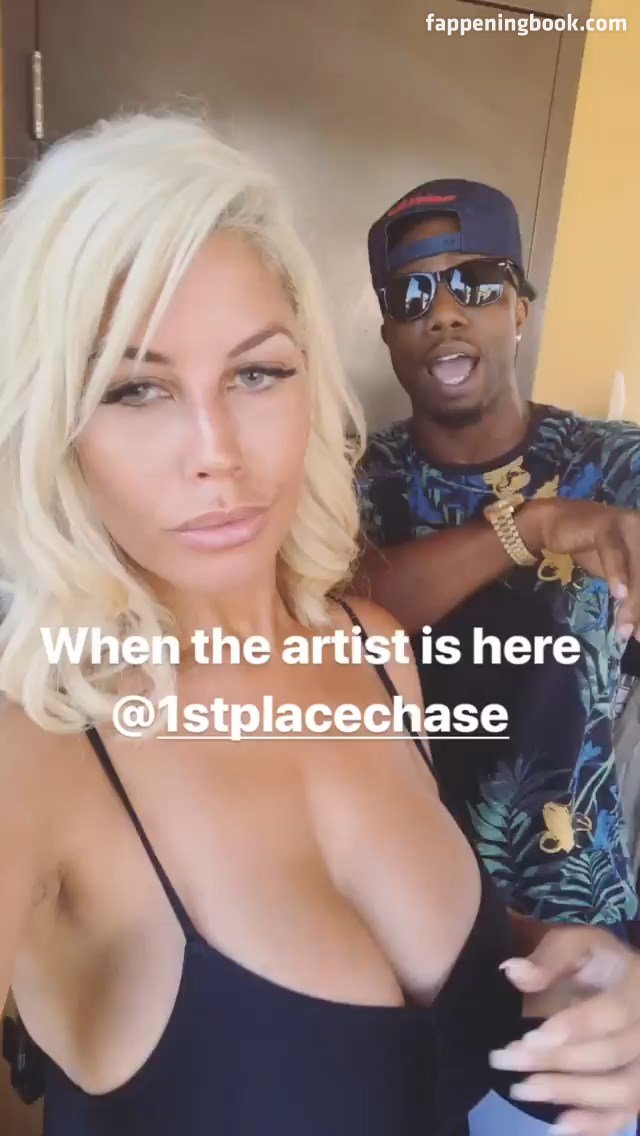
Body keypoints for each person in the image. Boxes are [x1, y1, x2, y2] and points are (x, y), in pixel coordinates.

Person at [0, 116, 640, 1136]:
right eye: (134, 387)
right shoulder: (36, 745)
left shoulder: (374, 650)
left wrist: (570, 962)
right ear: (53, 424)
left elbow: (420, 953)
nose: (217, 451)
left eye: (256, 373)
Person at [355, 178, 640, 1133]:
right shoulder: (355, 484)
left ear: (519, 305)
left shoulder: (617, 464)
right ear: (390, 334)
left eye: (474, 283)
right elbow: (348, 613)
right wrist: (536, 527)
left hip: (575, 927)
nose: (443, 313)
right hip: (396, 928)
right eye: (413, 294)